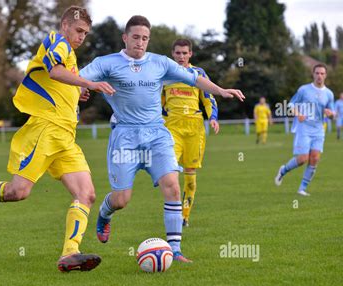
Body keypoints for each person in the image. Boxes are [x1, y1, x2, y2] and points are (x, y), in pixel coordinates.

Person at [0, 6, 115, 273]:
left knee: (87, 194)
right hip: (45, 132)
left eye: (86, 33)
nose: (82, 37)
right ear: (65, 25)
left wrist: (76, 91)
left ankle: (70, 254)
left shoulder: (70, 55)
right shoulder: (56, 41)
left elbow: (57, 81)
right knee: (18, 192)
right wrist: (90, 84)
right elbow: (55, 71)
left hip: (66, 138)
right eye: (79, 30)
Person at [80, 15, 244, 263]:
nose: (140, 42)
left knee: (173, 185)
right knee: (122, 199)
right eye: (136, 37)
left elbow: (193, 78)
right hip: (125, 136)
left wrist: (219, 90)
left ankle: (175, 250)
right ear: (125, 38)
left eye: (145, 38)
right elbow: (79, 76)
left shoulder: (160, 63)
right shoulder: (107, 63)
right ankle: (104, 214)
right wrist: (82, 87)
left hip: (157, 134)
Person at [161, 38, 219, 227]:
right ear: (173, 53)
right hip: (172, 127)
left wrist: (213, 117)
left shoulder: (198, 73)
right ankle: (173, 209)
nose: (181, 56)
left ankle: (184, 216)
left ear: (190, 54)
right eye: (178, 53)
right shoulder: (165, 75)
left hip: (194, 129)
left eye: (185, 53)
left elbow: (209, 98)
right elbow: (156, 102)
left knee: (190, 177)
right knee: (169, 170)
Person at [274, 64, 334, 196]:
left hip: (319, 129)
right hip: (304, 129)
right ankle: (283, 170)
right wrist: (298, 114)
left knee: (315, 159)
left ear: (326, 75)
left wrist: (331, 114)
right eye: (317, 73)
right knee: (302, 159)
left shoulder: (329, 94)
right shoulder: (304, 90)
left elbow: (332, 112)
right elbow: (291, 104)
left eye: (322, 73)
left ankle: (302, 189)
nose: (319, 76)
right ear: (313, 74)